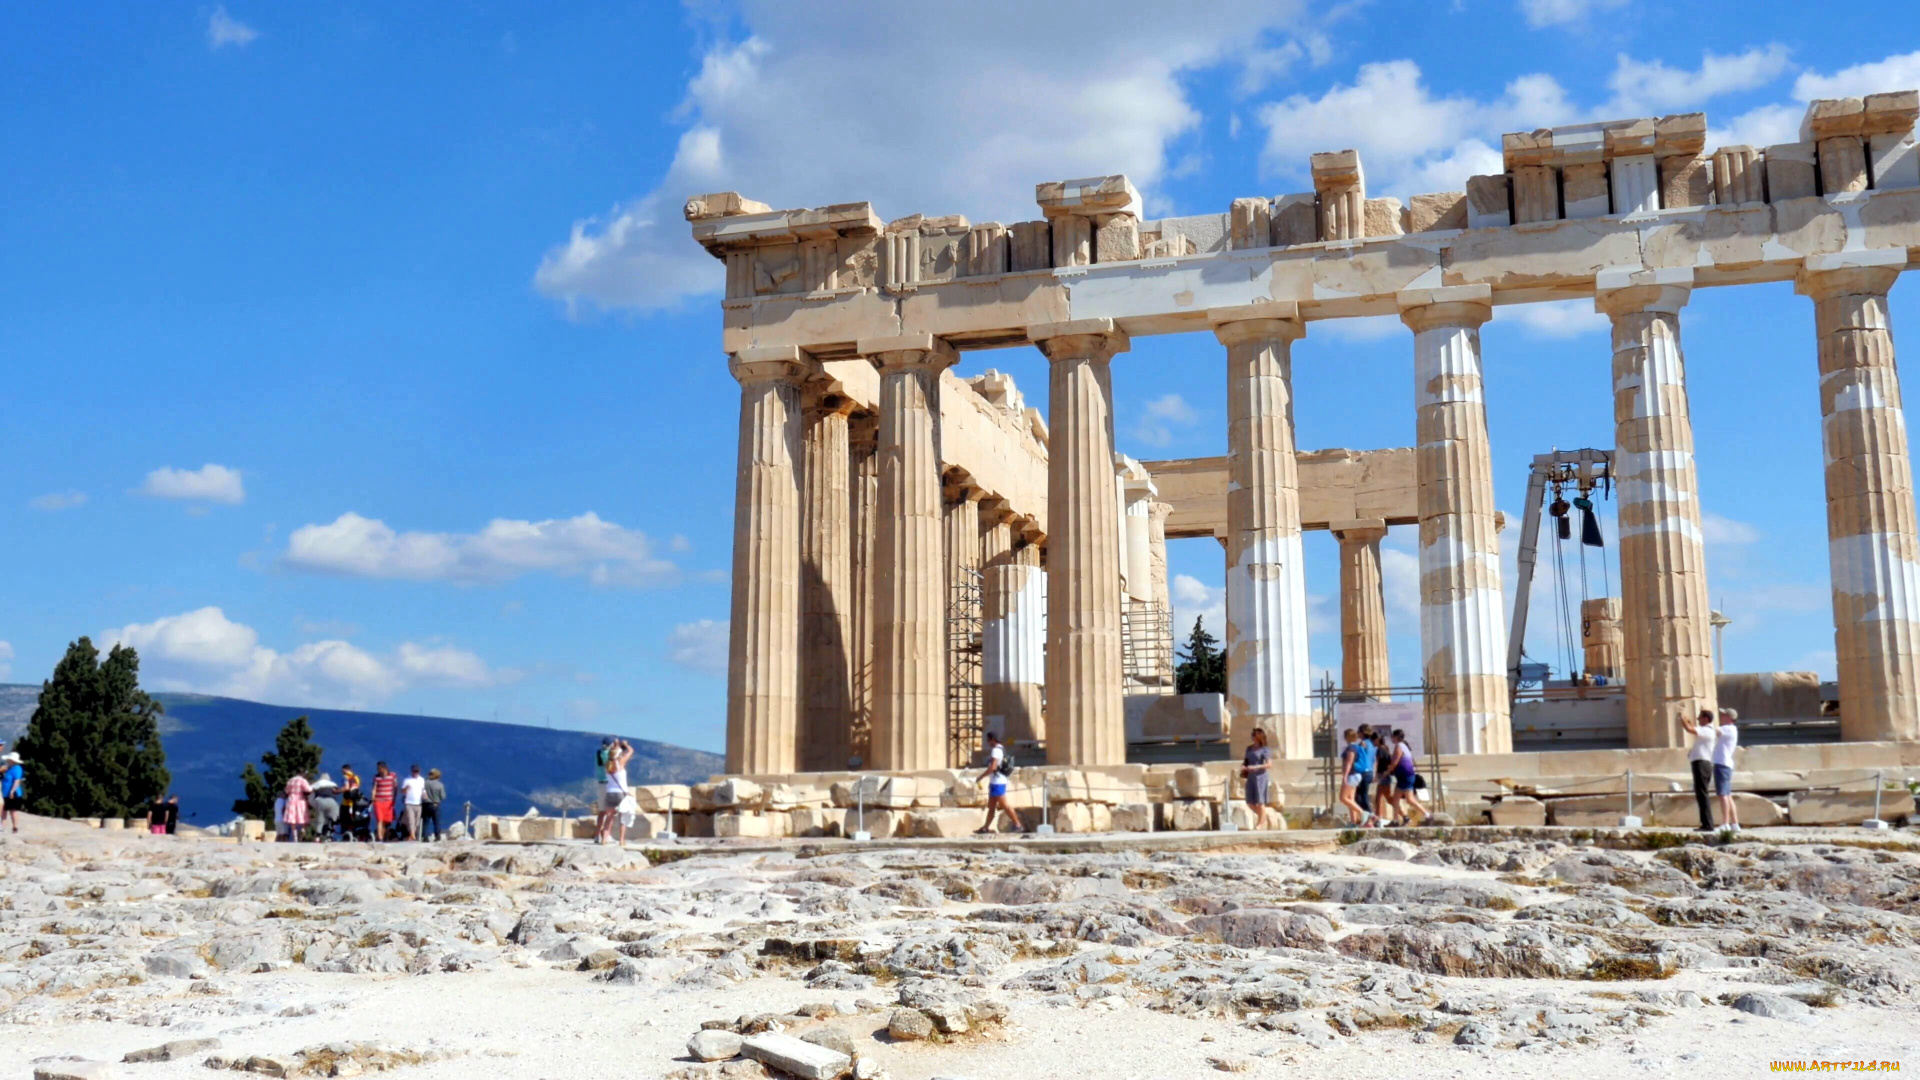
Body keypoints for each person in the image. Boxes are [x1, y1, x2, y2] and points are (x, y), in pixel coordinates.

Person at [975, 732, 1026, 835]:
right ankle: (985, 827)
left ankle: (1018, 825)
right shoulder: (1001, 749)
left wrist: (981, 776)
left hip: (998, 782)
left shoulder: (995, 750)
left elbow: (993, 767)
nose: (988, 742)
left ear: (992, 739)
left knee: (1004, 805)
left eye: (988, 740)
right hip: (996, 781)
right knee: (992, 806)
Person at [1680, 708, 1719, 831]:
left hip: (1702, 764)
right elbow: (1693, 727)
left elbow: (1689, 729)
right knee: (1701, 794)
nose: (1698, 720)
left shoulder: (1707, 731)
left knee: (1702, 794)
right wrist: (1687, 719)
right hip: (1701, 764)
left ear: (1706, 719)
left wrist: (1681, 718)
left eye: (1700, 718)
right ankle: (1706, 823)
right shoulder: (1706, 731)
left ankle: (1708, 824)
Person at [1383, 729, 1426, 827]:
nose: (1391, 739)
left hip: (1404, 776)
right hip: (1406, 776)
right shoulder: (1404, 746)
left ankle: (1426, 815)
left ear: (1396, 737)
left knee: (1407, 799)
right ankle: (1396, 820)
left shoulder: (1399, 746)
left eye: (1392, 737)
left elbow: (1395, 762)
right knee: (1398, 798)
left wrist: (1387, 772)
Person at [598, 739, 634, 845]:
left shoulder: (607, 765)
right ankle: (621, 840)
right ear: (619, 755)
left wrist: (617, 745)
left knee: (609, 817)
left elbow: (612, 754)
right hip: (620, 794)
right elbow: (631, 751)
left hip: (609, 793)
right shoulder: (621, 763)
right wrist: (626, 745)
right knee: (622, 818)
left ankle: (604, 839)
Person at [1241, 727, 1276, 829]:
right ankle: (1263, 816)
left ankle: (1260, 823)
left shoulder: (1264, 749)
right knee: (1249, 801)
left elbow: (1269, 764)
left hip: (1260, 777)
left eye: (1254, 735)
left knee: (1260, 802)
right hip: (1251, 776)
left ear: (1258, 737)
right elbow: (1246, 760)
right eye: (1252, 735)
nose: (1252, 737)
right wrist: (1244, 767)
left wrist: (1256, 766)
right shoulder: (1249, 748)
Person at [1713, 707, 1741, 831]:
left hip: (1722, 764)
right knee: (1728, 795)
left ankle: (1725, 824)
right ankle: (1735, 823)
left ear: (1729, 718)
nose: (1721, 716)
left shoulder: (1728, 728)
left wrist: (1708, 719)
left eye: (1723, 715)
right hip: (1725, 764)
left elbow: (1712, 731)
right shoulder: (1731, 729)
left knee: (1723, 795)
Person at [1351, 725, 1380, 827]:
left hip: (1363, 771)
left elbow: (1357, 757)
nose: (1357, 734)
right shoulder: (1372, 744)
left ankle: (1372, 816)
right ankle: (1368, 819)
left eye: (1359, 732)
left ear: (1363, 733)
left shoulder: (1363, 744)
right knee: (1359, 796)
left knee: (1361, 796)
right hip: (1370, 772)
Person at [1337, 730, 1366, 825]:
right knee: (1350, 799)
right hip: (1355, 776)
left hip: (1352, 775)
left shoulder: (1351, 748)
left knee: (1343, 798)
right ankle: (1353, 822)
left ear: (1347, 737)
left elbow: (1349, 762)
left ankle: (1364, 814)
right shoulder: (1355, 747)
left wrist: (1345, 776)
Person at [309, 775, 341, 842]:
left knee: (320, 820)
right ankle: (329, 836)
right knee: (332, 819)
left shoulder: (318, 783)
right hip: (332, 802)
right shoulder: (332, 784)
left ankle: (317, 837)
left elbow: (310, 791)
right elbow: (336, 791)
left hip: (320, 801)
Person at [370, 762, 397, 842]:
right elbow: (374, 788)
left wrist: (394, 798)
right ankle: (380, 837)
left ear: (384, 768)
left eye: (379, 768)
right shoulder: (376, 777)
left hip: (388, 801)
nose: (378, 770)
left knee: (386, 821)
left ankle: (384, 836)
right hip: (378, 801)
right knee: (379, 819)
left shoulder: (392, 775)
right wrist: (373, 797)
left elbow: (395, 787)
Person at [283, 771, 313, 842]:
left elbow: (286, 791)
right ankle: (302, 828)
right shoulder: (303, 780)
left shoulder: (290, 780)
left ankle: (295, 836)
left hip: (291, 799)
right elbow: (308, 789)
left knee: (292, 818)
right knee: (301, 815)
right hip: (300, 799)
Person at [400, 765, 426, 841]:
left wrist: (424, 794)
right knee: (411, 820)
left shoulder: (422, 780)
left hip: (418, 803)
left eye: (417, 771)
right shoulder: (407, 780)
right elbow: (402, 791)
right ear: (411, 771)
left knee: (417, 821)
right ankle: (413, 835)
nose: (415, 773)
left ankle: (412, 834)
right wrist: (406, 788)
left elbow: (423, 789)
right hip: (409, 802)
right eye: (414, 771)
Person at [3, 751, 26, 834]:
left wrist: (12, 791)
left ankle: (15, 827)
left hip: (12, 793)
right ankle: (3, 826)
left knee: (13, 810)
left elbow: (17, 781)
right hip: (5, 792)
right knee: (4, 810)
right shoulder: (9, 768)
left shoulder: (17, 768)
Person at [422, 769, 446, 841]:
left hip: (426, 804)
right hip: (435, 804)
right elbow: (443, 797)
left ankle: (425, 837)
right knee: (436, 822)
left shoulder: (425, 783)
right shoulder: (440, 785)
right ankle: (437, 836)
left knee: (426, 821)